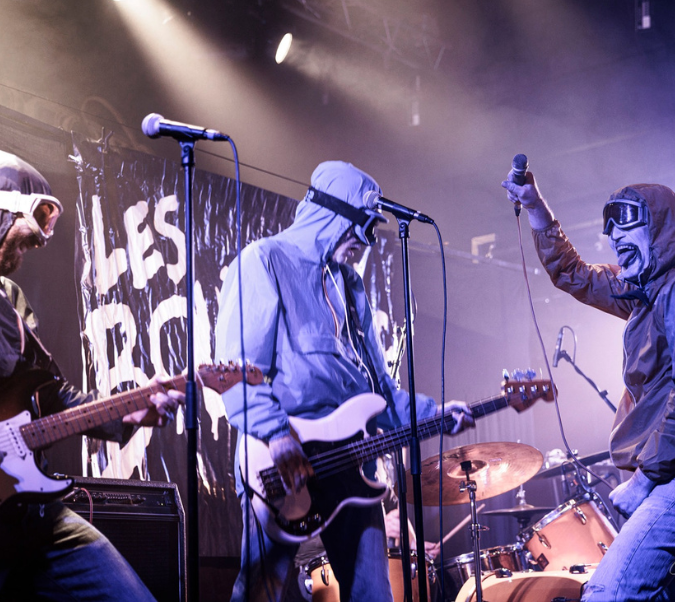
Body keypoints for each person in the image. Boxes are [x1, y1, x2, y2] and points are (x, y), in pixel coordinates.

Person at [215, 160, 473, 602]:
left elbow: (379, 392)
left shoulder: (351, 287)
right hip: (283, 461)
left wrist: (433, 413)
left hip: (353, 465)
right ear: (332, 214)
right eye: (364, 227)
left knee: (373, 593)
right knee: (262, 591)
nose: (365, 242)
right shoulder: (265, 261)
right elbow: (236, 371)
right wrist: (277, 435)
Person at [0, 150, 185, 601]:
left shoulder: (8, 301)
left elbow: (50, 397)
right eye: (21, 242)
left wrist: (128, 411)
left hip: (30, 508)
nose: (23, 256)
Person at [502, 171, 675, 601]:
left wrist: (645, 480)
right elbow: (575, 273)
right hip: (661, 471)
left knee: (607, 593)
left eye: (627, 226)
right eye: (610, 231)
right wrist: (537, 206)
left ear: (661, 230)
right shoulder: (644, 290)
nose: (613, 237)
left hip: (668, 476)